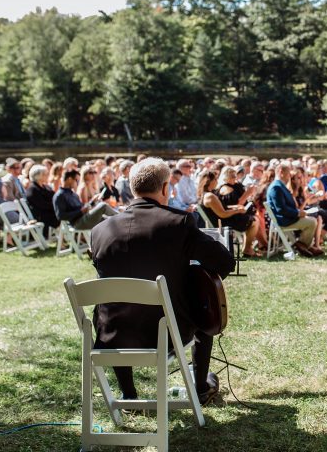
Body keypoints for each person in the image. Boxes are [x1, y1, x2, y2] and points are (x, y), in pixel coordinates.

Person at [90, 158, 235, 404]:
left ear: (133, 189)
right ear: (166, 188)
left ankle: (128, 394)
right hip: (167, 333)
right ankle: (200, 386)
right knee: (200, 306)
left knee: (113, 306)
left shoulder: (100, 230)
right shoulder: (178, 222)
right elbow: (225, 262)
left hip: (112, 335)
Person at [200, 171, 263, 257]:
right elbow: (223, 214)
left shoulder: (208, 194)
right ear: (209, 181)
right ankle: (247, 249)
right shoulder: (210, 196)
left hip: (223, 220)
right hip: (222, 222)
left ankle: (247, 248)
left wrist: (235, 207)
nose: (217, 181)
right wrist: (238, 210)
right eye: (215, 179)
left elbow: (222, 208)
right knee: (254, 221)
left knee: (253, 219)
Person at [266, 164, 322, 257]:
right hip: (283, 220)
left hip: (286, 217)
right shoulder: (276, 187)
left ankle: (304, 246)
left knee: (312, 219)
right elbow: (281, 209)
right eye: (288, 173)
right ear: (281, 172)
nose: (289, 176)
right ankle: (302, 245)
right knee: (312, 222)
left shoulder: (279, 186)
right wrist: (298, 213)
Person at [53, 170, 117, 230]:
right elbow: (61, 216)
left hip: (83, 218)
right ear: (69, 179)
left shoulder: (72, 194)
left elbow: (82, 208)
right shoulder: (59, 195)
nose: (77, 183)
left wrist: (92, 202)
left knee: (109, 220)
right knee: (103, 206)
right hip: (77, 223)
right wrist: (81, 212)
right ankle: (123, 217)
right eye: (76, 180)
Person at [25, 165, 59, 234]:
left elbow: (55, 197)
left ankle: (65, 238)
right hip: (42, 218)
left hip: (49, 214)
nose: (48, 175)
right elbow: (42, 205)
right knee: (63, 216)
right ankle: (65, 238)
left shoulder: (46, 187)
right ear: (39, 176)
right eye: (46, 174)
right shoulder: (32, 190)